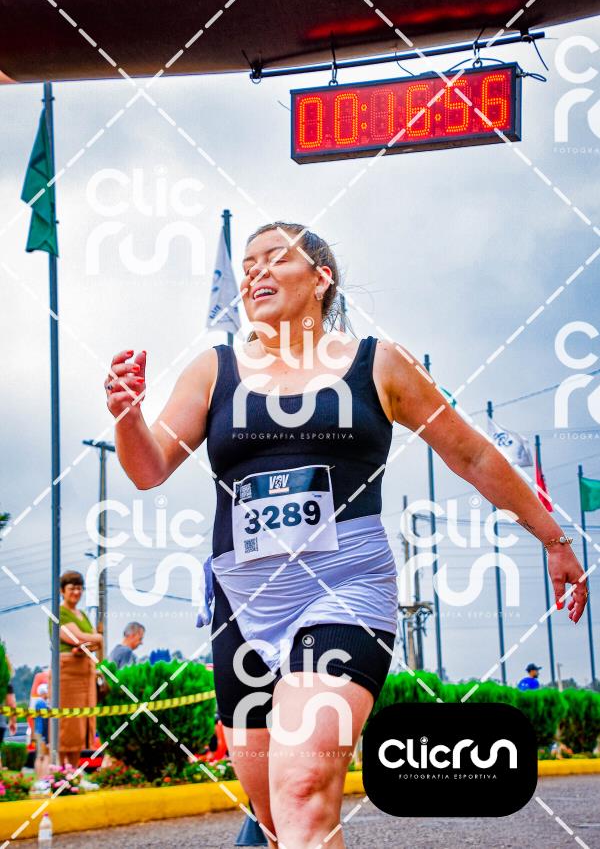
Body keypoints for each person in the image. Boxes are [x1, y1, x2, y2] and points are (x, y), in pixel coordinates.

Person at [105, 221, 588, 849]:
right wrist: (127, 416)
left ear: (321, 278)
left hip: (343, 589)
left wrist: (553, 539)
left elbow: (471, 455)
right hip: (242, 602)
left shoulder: (377, 363)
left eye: (275, 258)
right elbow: (147, 469)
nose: (255, 273)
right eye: (247, 265)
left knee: (302, 789)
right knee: (275, 815)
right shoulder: (213, 370)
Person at [47, 570, 104, 767]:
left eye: (79, 588)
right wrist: (95, 638)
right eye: (72, 588)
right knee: (66, 723)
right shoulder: (59, 613)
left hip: (85, 674)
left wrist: (91, 641)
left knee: (82, 724)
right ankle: (61, 771)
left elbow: (92, 642)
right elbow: (76, 637)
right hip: (66, 674)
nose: (76, 592)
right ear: (62, 590)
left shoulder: (83, 615)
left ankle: (74, 771)